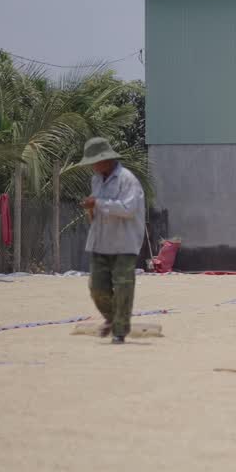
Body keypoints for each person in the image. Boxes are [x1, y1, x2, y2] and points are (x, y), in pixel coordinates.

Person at [80, 137, 146, 344]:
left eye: (95, 161)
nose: (93, 166)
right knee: (97, 288)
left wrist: (98, 203)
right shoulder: (96, 180)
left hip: (124, 243)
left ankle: (119, 331)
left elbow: (128, 209)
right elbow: (97, 206)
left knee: (123, 287)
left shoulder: (128, 180)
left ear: (106, 159)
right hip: (100, 241)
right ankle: (111, 318)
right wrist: (91, 207)